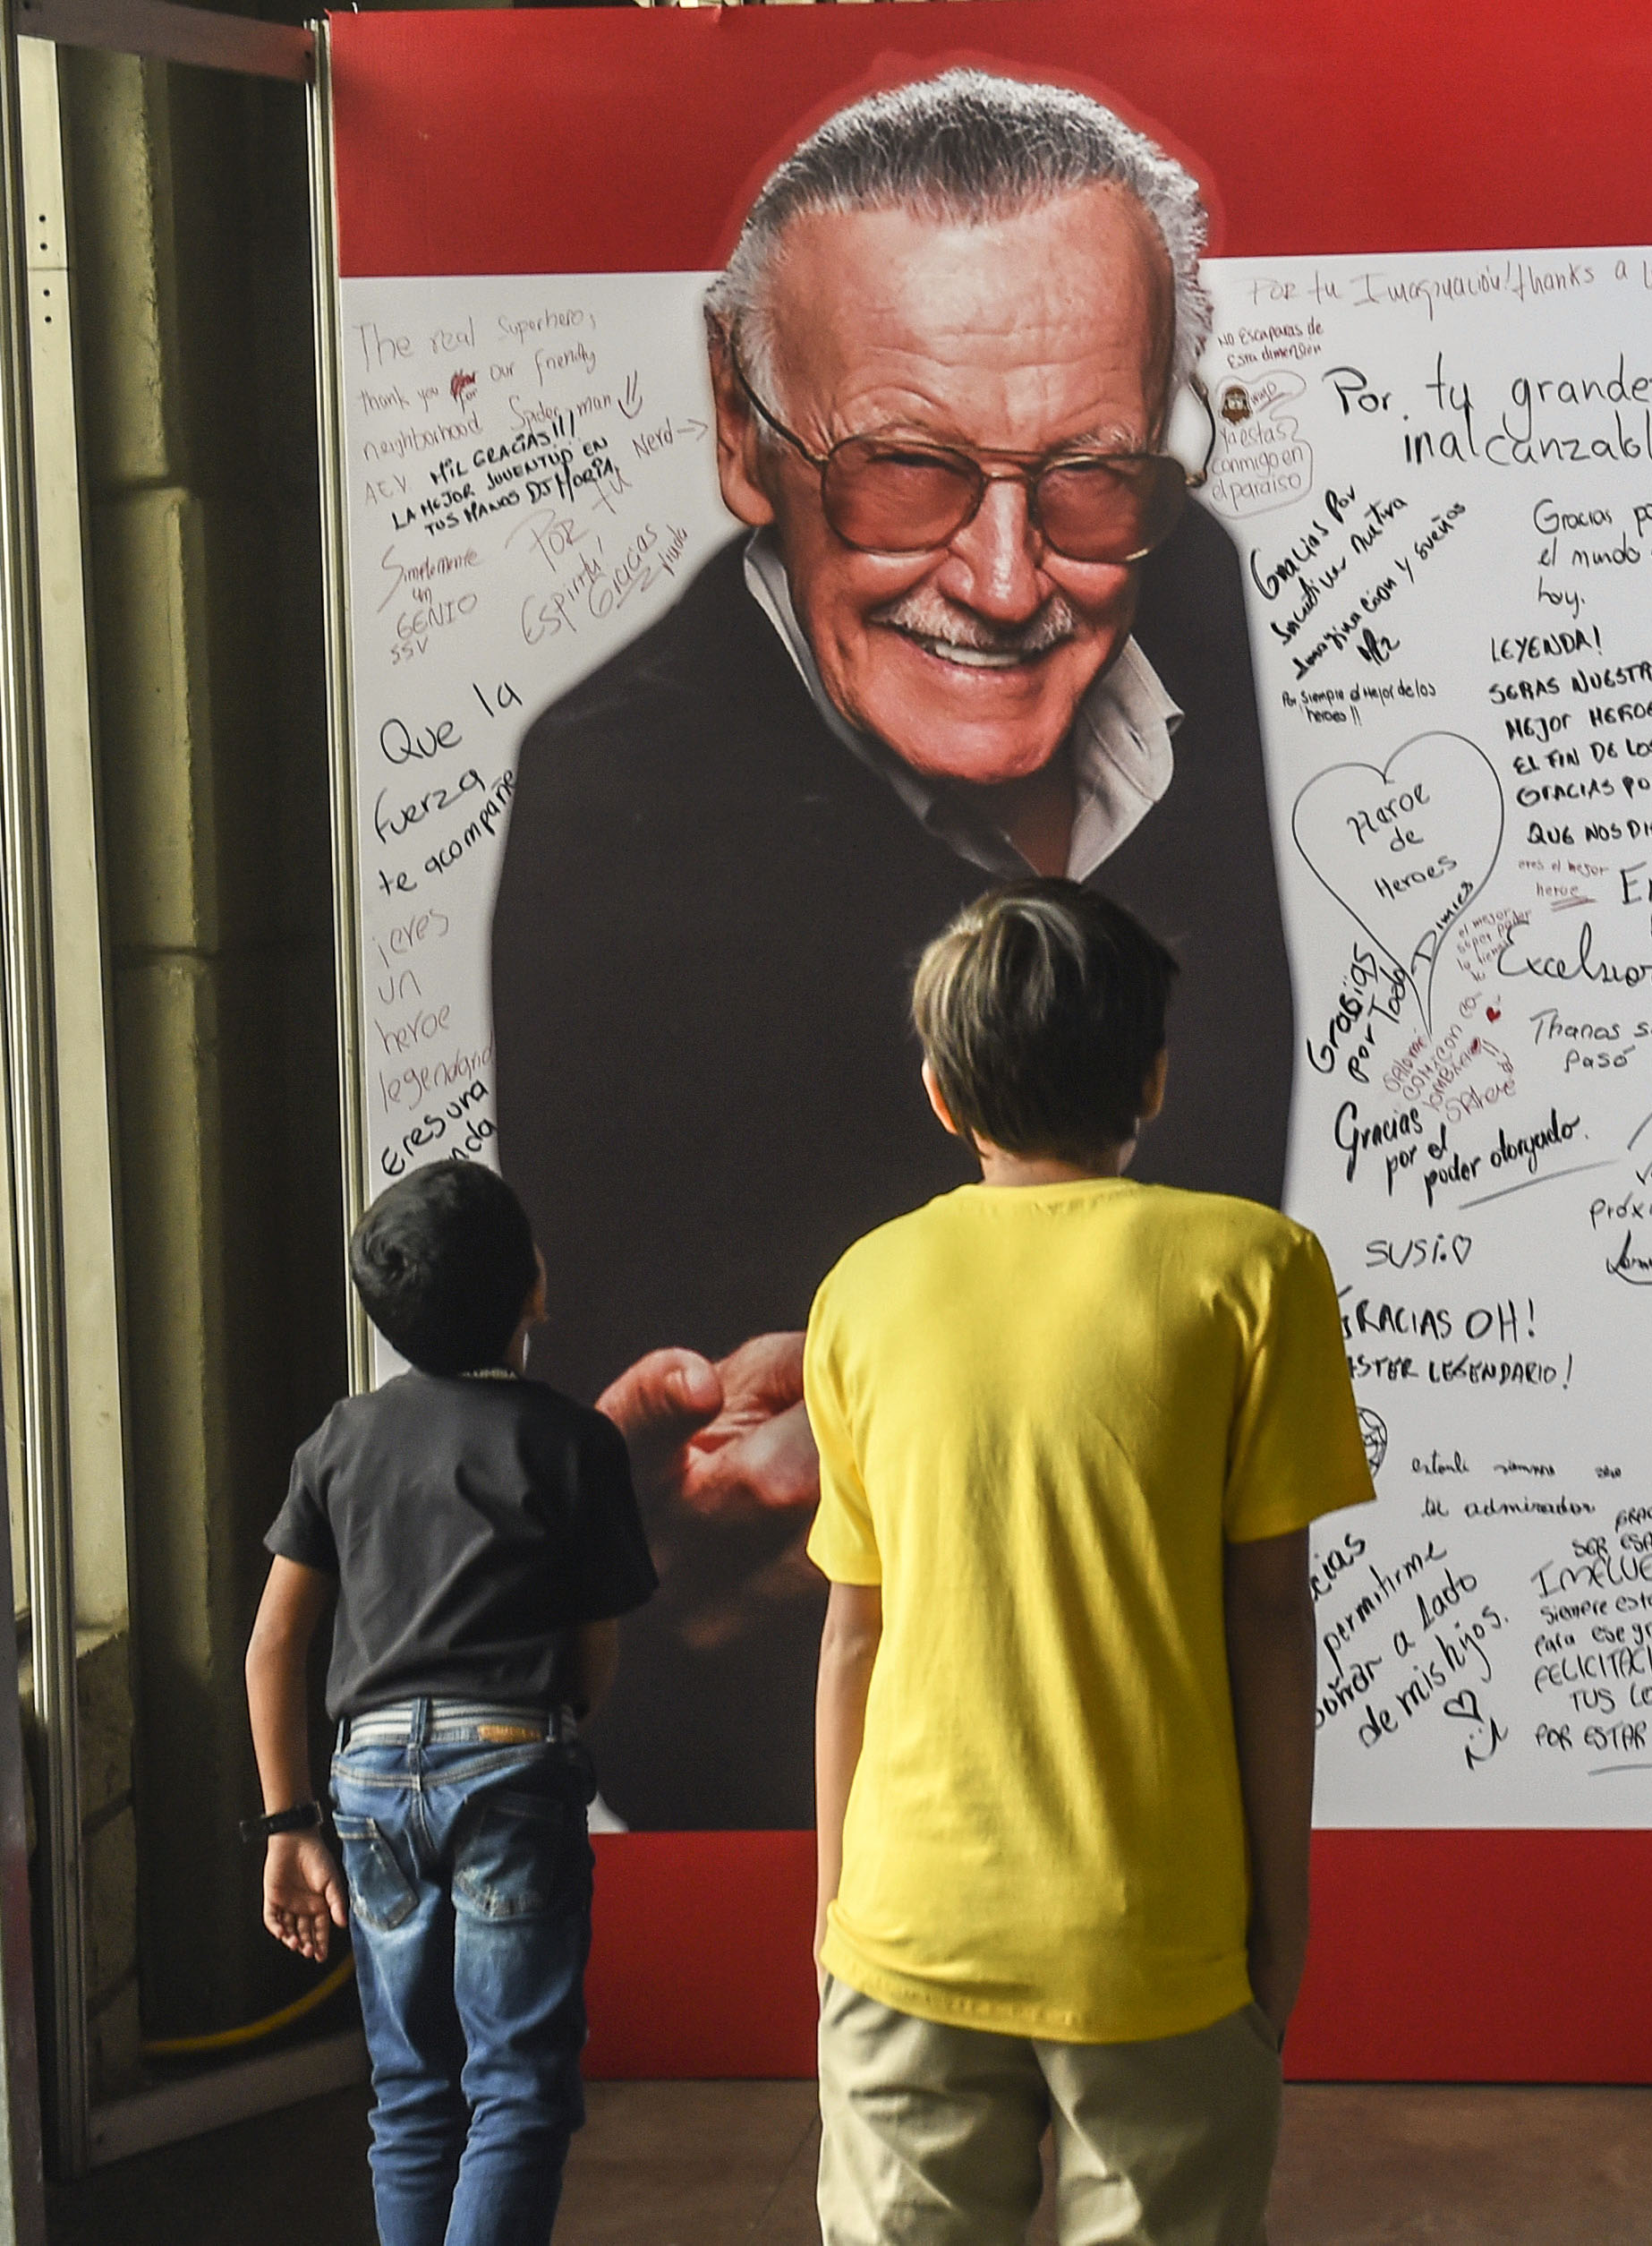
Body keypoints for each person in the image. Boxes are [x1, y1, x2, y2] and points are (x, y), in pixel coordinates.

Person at [489, 69, 1295, 1831]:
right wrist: (721, 1481)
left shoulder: (1186, 586)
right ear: (740, 423)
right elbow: (642, 1490)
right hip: (837, 1778)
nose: (1009, 581)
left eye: (1091, 475)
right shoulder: (613, 795)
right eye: (905, 475)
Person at [806, 880, 1373, 2246]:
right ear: (1157, 1080)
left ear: (943, 1094)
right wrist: (1278, 1918)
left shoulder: (862, 1288)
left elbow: (853, 1639)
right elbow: (1270, 1619)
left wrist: (837, 1917)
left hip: (908, 1923)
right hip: (1157, 1927)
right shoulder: (1255, 1269)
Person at [244, 1160, 659, 2246]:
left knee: (412, 2090)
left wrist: (291, 1822)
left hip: (367, 1777)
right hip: (512, 1761)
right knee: (517, 2085)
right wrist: (552, 1727)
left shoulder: (339, 1440)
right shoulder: (574, 1443)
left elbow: (274, 1645)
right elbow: (593, 1646)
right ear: (533, 1286)